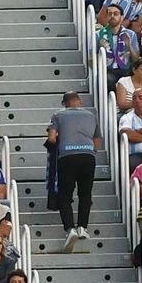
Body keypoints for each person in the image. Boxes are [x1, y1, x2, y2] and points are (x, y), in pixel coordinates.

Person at [48, 91, 101, 251]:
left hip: (67, 157)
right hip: (88, 156)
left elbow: (51, 137)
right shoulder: (91, 115)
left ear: (64, 103)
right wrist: (92, 150)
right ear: (79, 101)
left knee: (65, 195)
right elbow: (97, 139)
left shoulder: (58, 115)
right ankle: (83, 227)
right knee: (85, 194)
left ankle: (70, 228)